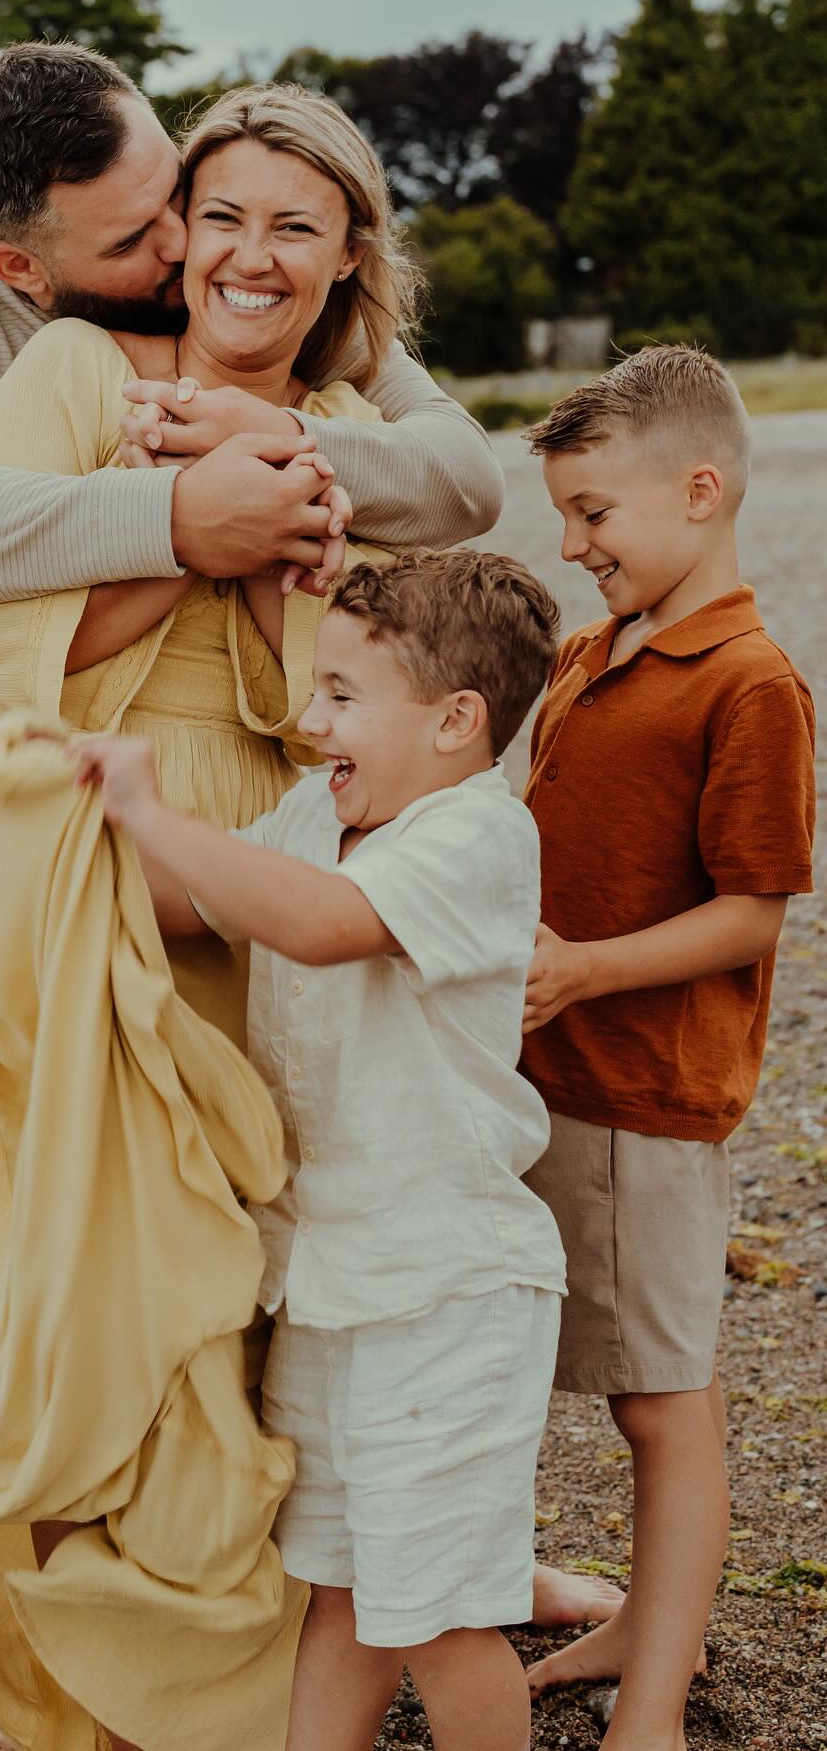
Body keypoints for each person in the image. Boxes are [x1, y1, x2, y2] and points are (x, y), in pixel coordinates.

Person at [0, 81, 438, 1751]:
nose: (210, 252)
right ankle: (64, 1658)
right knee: (83, 1273)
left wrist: (279, 480)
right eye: (190, 223)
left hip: (250, 854)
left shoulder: (336, 405)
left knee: (248, 1266)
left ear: (345, 253)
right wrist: (190, 527)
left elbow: (330, 674)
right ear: (35, 258)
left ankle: (250, 1636)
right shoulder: (70, 362)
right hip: (64, 834)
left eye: (267, 222)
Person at [74, 547, 570, 1751]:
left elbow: (318, 923)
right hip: (328, 1285)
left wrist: (151, 808)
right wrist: (68, 834)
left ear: (456, 720)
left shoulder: (476, 833)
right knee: (341, 1591)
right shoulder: (317, 813)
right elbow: (201, 901)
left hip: (444, 1293)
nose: (311, 720)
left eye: (343, 695)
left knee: (444, 1618)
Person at [0, 39, 506, 814]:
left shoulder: (236, 289)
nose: (182, 244)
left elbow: (464, 475)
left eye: (176, 194)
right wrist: (176, 518)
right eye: (131, 240)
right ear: (21, 268)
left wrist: (273, 439)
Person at [515, 348, 816, 1750]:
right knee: (556, 1369)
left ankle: (655, 1703)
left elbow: (753, 909)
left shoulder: (750, 682)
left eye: (594, 514)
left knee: (661, 1400)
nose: (574, 545)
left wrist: (583, 971)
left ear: (701, 490)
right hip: (546, 1079)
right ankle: (641, 1619)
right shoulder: (593, 651)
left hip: (647, 1094)